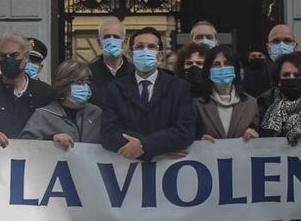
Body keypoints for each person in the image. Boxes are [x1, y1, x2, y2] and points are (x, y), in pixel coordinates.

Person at [101, 27, 197, 160]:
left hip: (166, 171)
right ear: (130, 54)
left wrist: (144, 146)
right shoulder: (116, 88)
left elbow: (185, 131)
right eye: (140, 47)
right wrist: (153, 151)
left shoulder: (178, 87)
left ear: (160, 55)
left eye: (151, 47)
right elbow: (109, 133)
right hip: (127, 171)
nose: (145, 51)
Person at [21, 59, 103, 147]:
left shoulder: (96, 113)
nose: (85, 87)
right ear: (64, 85)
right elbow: (26, 144)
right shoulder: (44, 115)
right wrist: (52, 138)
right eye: (79, 82)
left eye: (87, 82)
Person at [245, 24, 301, 98]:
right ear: (268, 48)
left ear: (295, 47)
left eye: (287, 41)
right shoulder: (251, 79)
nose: (282, 45)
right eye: (276, 41)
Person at [196, 46, 259, 142]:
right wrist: (199, 141)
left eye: (227, 63)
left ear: (235, 69)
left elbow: (257, 133)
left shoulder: (251, 103)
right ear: (208, 71)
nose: (222, 68)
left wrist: (252, 134)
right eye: (216, 64)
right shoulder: (197, 105)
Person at [90, 16, 132, 106]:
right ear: (99, 43)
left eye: (116, 37)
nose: (111, 40)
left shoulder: (136, 73)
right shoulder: (88, 74)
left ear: (124, 43)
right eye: (107, 37)